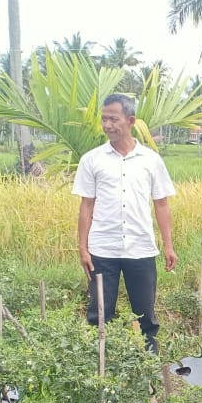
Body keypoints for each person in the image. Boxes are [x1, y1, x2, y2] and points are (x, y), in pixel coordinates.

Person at [73, 94, 178, 352]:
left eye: (113, 119)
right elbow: (86, 206)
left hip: (140, 249)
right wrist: (83, 248)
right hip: (102, 251)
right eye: (104, 119)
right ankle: (100, 373)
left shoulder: (151, 160)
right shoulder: (92, 159)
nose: (108, 125)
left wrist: (168, 246)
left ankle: (148, 372)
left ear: (130, 121)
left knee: (146, 318)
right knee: (99, 316)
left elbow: (161, 205)